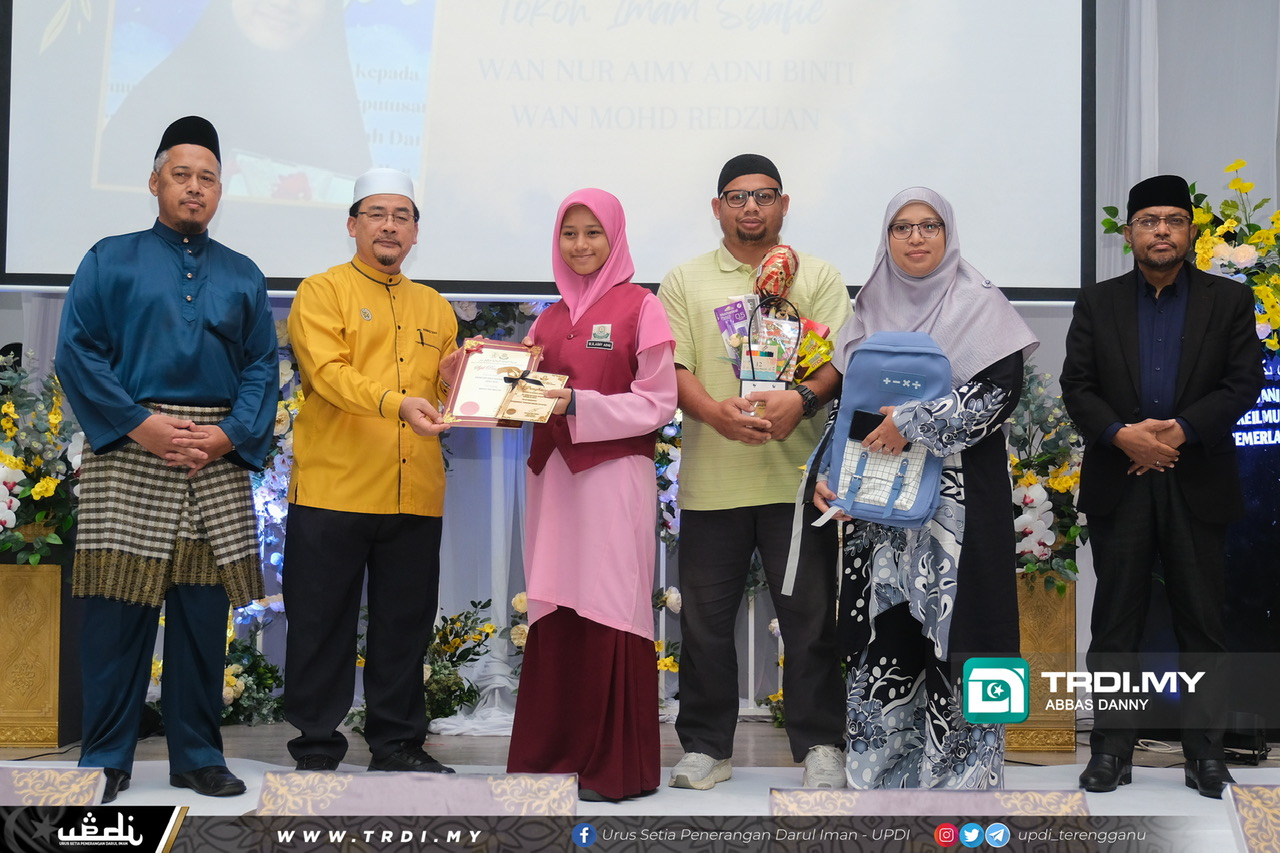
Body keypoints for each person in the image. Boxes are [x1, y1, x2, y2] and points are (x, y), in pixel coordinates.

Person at [56, 115, 277, 803]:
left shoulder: (242, 274)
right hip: (131, 446)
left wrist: (228, 435)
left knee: (199, 616)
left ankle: (198, 754)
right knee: (117, 611)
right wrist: (138, 423)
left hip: (210, 458)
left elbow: (261, 368)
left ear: (220, 190)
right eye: (180, 175)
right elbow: (77, 351)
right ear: (154, 182)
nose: (193, 187)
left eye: (206, 177)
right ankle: (106, 755)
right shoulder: (109, 257)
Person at [814, 187, 1038, 790]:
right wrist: (827, 475)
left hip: (959, 509)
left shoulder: (981, 305)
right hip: (881, 507)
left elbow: (997, 396)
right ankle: (881, 771)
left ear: (948, 234)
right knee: (888, 633)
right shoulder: (868, 309)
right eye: (902, 228)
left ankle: (965, 773)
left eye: (929, 226)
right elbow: (850, 405)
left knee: (965, 632)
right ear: (886, 240)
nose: (916, 238)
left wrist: (910, 422)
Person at [1061, 174, 1263, 799]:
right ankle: (1110, 754)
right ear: (1130, 233)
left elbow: (1242, 383)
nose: (1161, 232)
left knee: (1201, 624)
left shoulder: (1227, 301)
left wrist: (1178, 434)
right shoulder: (1098, 302)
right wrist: (1125, 436)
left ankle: (1205, 756)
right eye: (1149, 221)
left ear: (1191, 232)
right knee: (1115, 626)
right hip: (1120, 478)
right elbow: (1078, 386)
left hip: (1195, 478)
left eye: (1174, 220)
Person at [656, 154, 852, 790]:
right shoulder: (684, 281)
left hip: (798, 483)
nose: (750, 208)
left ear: (784, 204)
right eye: (737, 197)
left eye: (763, 196)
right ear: (716, 208)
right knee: (706, 625)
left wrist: (804, 400)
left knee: (812, 621)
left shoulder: (817, 277)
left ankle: (820, 743)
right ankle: (708, 748)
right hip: (714, 482)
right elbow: (674, 369)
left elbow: (839, 362)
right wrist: (715, 414)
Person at [499, 189, 677, 802]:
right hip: (552, 480)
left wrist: (582, 403)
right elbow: (521, 400)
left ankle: (610, 765)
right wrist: (472, 385)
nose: (580, 245)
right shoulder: (546, 319)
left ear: (616, 238)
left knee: (608, 602)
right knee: (554, 599)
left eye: (592, 233)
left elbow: (659, 403)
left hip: (611, 479)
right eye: (569, 233)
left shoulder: (642, 308)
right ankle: (553, 756)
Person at [283, 168, 458, 773]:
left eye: (402, 216)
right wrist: (395, 404)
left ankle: (398, 744)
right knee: (320, 623)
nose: (389, 225)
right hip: (336, 486)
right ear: (353, 224)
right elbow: (328, 374)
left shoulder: (436, 307)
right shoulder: (321, 291)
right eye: (377, 214)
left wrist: (487, 394)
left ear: (415, 233)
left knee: (405, 628)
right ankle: (315, 744)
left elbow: (449, 390)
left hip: (415, 493)